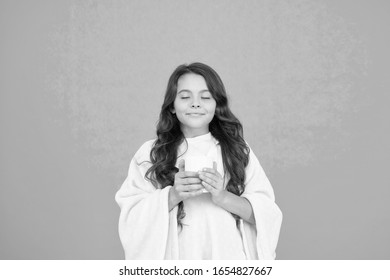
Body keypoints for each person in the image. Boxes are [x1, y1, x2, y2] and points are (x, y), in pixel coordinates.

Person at [115, 62, 282, 260]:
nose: (195, 103)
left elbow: (265, 216)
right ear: (172, 107)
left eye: (205, 97)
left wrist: (223, 197)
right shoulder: (151, 153)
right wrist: (173, 195)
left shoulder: (237, 150)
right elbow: (131, 219)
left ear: (216, 105)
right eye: (185, 97)